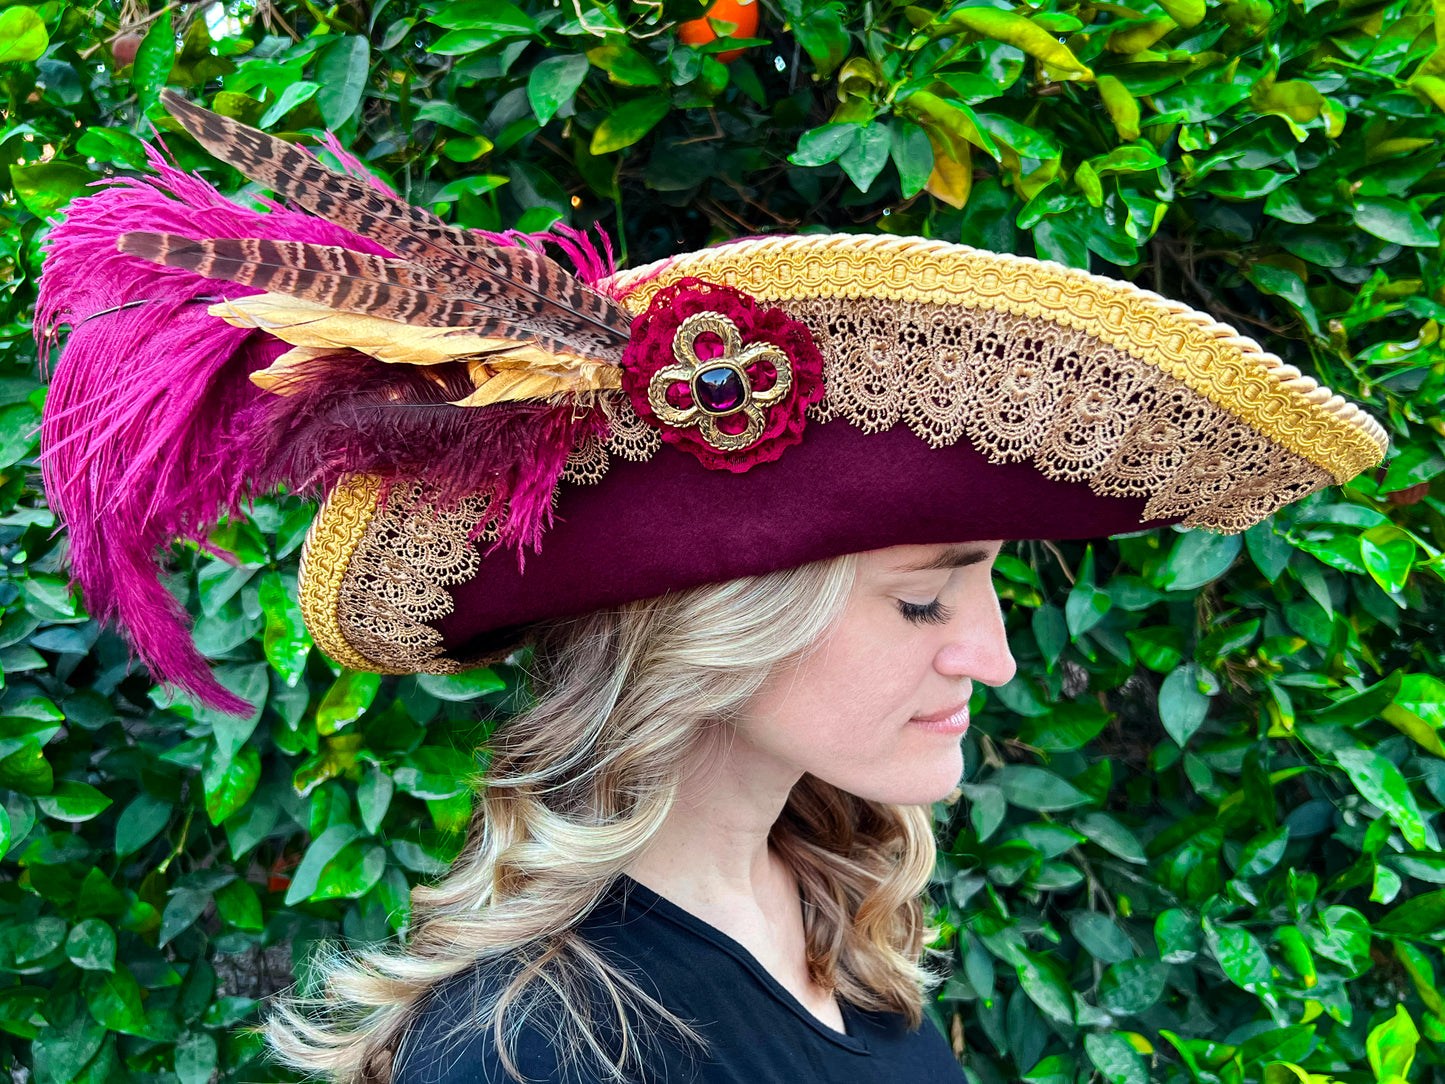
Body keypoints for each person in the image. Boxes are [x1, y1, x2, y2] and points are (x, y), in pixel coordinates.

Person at [35, 93, 1386, 1084]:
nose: (993, 659)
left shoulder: (828, 912)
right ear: (714, 629)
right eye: (922, 600)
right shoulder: (550, 1052)